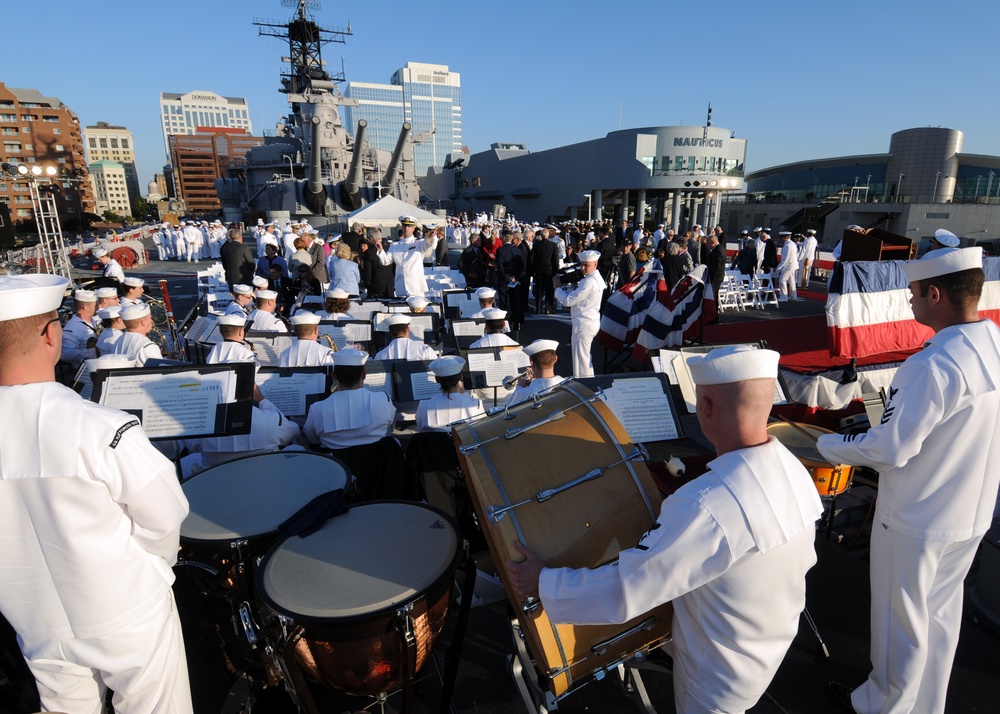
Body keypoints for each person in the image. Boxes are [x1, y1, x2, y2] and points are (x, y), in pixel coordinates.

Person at [506, 345, 822, 714]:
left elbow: (629, 589)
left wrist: (543, 582)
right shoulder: (793, 468)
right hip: (765, 646)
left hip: (716, 674)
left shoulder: (706, 505)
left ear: (704, 408)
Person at [0, 273, 193, 714]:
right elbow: (165, 518)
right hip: (126, 609)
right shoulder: (103, 428)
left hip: (35, 622)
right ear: (51, 335)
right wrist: (150, 568)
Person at [819, 246, 1000, 714]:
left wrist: (824, 446)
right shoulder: (993, 343)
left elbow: (889, 449)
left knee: (901, 624)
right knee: (940, 621)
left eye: (914, 293)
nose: (910, 302)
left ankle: (882, 706)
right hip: (970, 516)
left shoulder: (931, 365)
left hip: (916, 520)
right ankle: (926, 706)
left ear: (936, 293)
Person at [303, 349, 395, 449]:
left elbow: (312, 437)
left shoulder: (317, 409)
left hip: (336, 463)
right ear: (364, 374)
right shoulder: (384, 400)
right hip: (377, 462)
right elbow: (389, 424)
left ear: (334, 376)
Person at [554, 249, 605, 378]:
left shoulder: (588, 282)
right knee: (584, 358)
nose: (582, 268)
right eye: (581, 264)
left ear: (595, 264)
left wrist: (557, 288)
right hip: (589, 321)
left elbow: (568, 300)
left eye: (586, 265)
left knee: (581, 361)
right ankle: (587, 385)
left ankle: (585, 387)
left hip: (583, 323)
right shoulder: (595, 278)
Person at [416, 355, 485, 433]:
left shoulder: (423, 406)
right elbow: (481, 431)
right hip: (464, 445)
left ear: (437, 380)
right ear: (461, 378)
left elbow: (421, 432)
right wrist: (464, 393)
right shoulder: (476, 405)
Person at [389, 215, 438, 297]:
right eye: (404, 226)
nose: (406, 228)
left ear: (413, 228)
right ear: (401, 227)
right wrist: (380, 250)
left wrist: (430, 237)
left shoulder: (418, 243)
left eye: (409, 226)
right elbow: (385, 261)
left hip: (416, 289)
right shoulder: (395, 245)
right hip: (401, 288)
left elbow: (426, 244)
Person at [507, 339, 565, 406]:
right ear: (555, 359)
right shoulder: (568, 384)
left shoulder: (523, 393)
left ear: (532, 363)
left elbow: (508, 409)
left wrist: (519, 386)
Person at [61, 288, 99, 369]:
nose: (98, 307)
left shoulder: (94, 320)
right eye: (96, 305)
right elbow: (66, 354)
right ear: (85, 308)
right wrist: (93, 352)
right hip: (86, 369)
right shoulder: (71, 328)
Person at [704, 232, 728, 302]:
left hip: (715, 277)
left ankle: (713, 311)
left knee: (713, 296)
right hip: (716, 276)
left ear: (712, 242)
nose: (707, 245)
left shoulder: (718, 250)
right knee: (713, 295)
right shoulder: (719, 248)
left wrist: (712, 277)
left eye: (707, 243)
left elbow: (717, 266)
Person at [776, 231, 798, 301]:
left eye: (781, 237)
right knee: (792, 281)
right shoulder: (792, 244)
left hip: (789, 265)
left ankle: (783, 296)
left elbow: (785, 258)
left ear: (785, 238)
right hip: (792, 265)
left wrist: (778, 267)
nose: (780, 239)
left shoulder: (787, 245)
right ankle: (793, 296)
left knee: (782, 280)